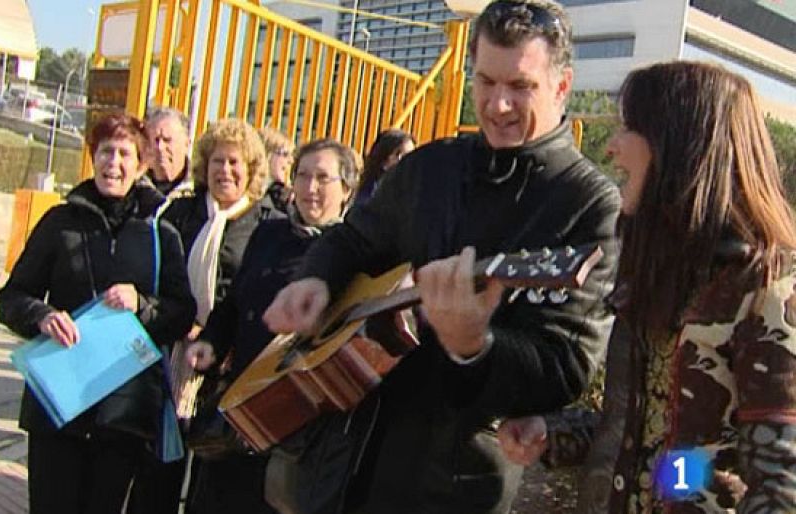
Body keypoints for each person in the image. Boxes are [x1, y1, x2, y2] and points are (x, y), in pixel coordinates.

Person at [262, 1, 621, 512]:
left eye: (520, 87)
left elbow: (565, 366)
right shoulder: (431, 166)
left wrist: (475, 345)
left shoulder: (589, 204)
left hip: (456, 483)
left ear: (561, 86)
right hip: (347, 457)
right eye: (485, 82)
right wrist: (316, 279)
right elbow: (352, 239)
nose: (497, 105)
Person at [498, 61, 796, 513]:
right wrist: (553, 431)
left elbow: (778, 486)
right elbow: (657, 439)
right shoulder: (659, 275)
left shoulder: (767, 291)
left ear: (679, 145)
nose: (612, 147)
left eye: (629, 128)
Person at [0, 113, 195, 514]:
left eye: (125, 154)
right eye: (106, 152)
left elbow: (181, 312)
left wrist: (142, 303)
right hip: (58, 406)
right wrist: (42, 315)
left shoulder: (161, 232)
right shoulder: (59, 222)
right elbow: (11, 296)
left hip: (123, 413)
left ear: (141, 165)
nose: (113, 164)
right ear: (93, 157)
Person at [185, 138, 359, 514]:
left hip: (297, 422)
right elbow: (235, 302)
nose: (310, 189)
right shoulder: (269, 234)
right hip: (240, 405)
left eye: (323, 179)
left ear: (346, 190)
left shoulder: (353, 255)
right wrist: (212, 342)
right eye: (303, 176)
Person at [127, 118, 277, 514]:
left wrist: (217, 336)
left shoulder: (267, 225)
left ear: (251, 170)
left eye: (234, 163)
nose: (224, 171)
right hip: (172, 355)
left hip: (227, 364)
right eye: (216, 162)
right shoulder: (180, 214)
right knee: (158, 470)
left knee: (212, 479)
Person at [142, 107, 194, 200]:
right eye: (156, 140)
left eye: (167, 140)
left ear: (186, 144)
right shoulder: (135, 186)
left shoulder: (200, 189)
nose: (160, 147)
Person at [355, 128, 415, 205]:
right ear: (384, 160)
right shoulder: (370, 196)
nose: (409, 162)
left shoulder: (410, 191)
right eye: (402, 156)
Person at [259, 126, 296, 215]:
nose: (291, 161)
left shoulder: (283, 195)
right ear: (267, 154)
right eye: (285, 154)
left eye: (292, 155)